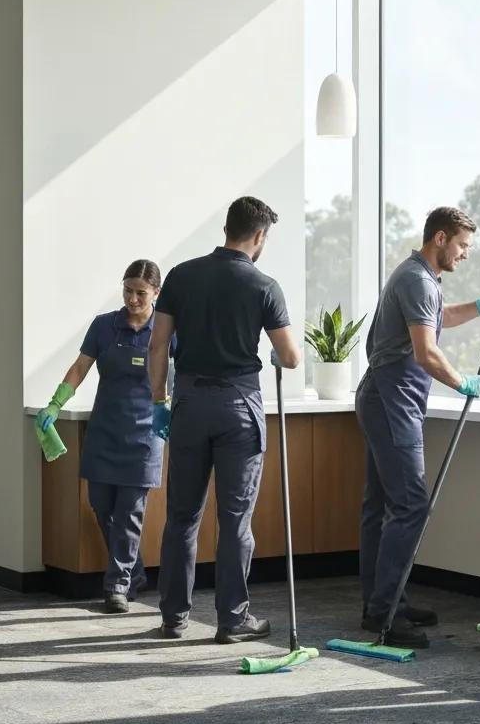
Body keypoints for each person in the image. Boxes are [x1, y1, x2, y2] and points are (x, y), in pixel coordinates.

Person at [356, 206, 480, 648]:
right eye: (463, 245)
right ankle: (385, 612)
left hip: (386, 397)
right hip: (391, 399)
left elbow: (437, 319)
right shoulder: (416, 279)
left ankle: (384, 602)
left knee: (381, 506)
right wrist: (462, 381)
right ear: (440, 237)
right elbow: (426, 353)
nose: (465, 254)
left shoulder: (419, 279)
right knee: (410, 505)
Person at [149, 196, 301, 643]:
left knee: (182, 515)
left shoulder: (181, 275)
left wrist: (159, 400)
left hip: (189, 404)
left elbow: (158, 345)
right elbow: (290, 357)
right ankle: (232, 620)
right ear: (258, 236)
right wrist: (275, 349)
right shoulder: (264, 286)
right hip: (239, 406)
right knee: (235, 519)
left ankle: (174, 617)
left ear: (226, 229)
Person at [37, 260, 173, 613]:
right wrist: (56, 402)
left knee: (129, 512)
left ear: (156, 294)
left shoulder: (167, 330)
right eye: (127, 290)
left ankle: (117, 585)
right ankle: (136, 571)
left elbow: (184, 370)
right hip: (105, 430)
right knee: (102, 506)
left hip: (146, 432)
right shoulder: (104, 326)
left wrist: (175, 408)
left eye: (141, 293)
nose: (132, 298)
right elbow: (80, 366)